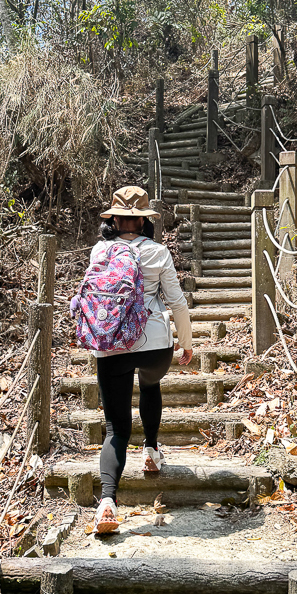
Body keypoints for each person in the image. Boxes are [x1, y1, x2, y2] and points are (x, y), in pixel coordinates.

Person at [89, 186, 193, 534]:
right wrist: (186, 343)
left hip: (112, 345)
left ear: (115, 220)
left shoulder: (99, 251)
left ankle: (107, 501)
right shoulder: (159, 253)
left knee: (117, 428)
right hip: (155, 345)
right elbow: (177, 302)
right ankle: (150, 448)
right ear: (144, 222)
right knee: (150, 384)